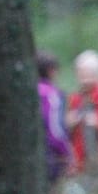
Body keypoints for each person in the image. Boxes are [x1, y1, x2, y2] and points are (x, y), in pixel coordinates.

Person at [65, 50, 98, 176]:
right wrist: (69, 122)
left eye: (89, 73)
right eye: (81, 73)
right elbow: (66, 128)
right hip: (78, 157)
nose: (84, 78)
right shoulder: (75, 98)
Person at [36, 51, 72, 184]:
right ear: (51, 70)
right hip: (49, 155)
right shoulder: (51, 94)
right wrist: (66, 153)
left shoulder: (25, 91)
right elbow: (55, 128)